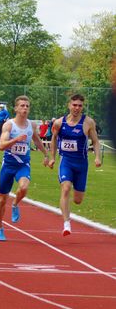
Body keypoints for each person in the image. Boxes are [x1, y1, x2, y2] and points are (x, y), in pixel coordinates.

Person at [0, 95, 49, 241]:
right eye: (22, 106)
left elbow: (36, 139)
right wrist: (15, 140)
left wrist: (45, 154)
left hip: (23, 164)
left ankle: (15, 204)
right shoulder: (9, 125)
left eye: (27, 106)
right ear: (16, 108)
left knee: (24, 187)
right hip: (8, 165)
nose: (25, 108)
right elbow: (1, 146)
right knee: (1, 200)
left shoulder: (31, 125)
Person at [48, 94, 101, 236]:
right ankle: (66, 224)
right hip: (66, 161)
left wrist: (97, 157)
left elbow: (95, 141)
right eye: (74, 105)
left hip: (81, 164)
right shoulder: (59, 123)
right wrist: (52, 158)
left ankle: (71, 204)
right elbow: (53, 140)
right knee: (65, 188)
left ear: (82, 107)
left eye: (80, 105)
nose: (77, 108)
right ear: (69, 105)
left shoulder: (88, 122)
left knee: (78, 200)